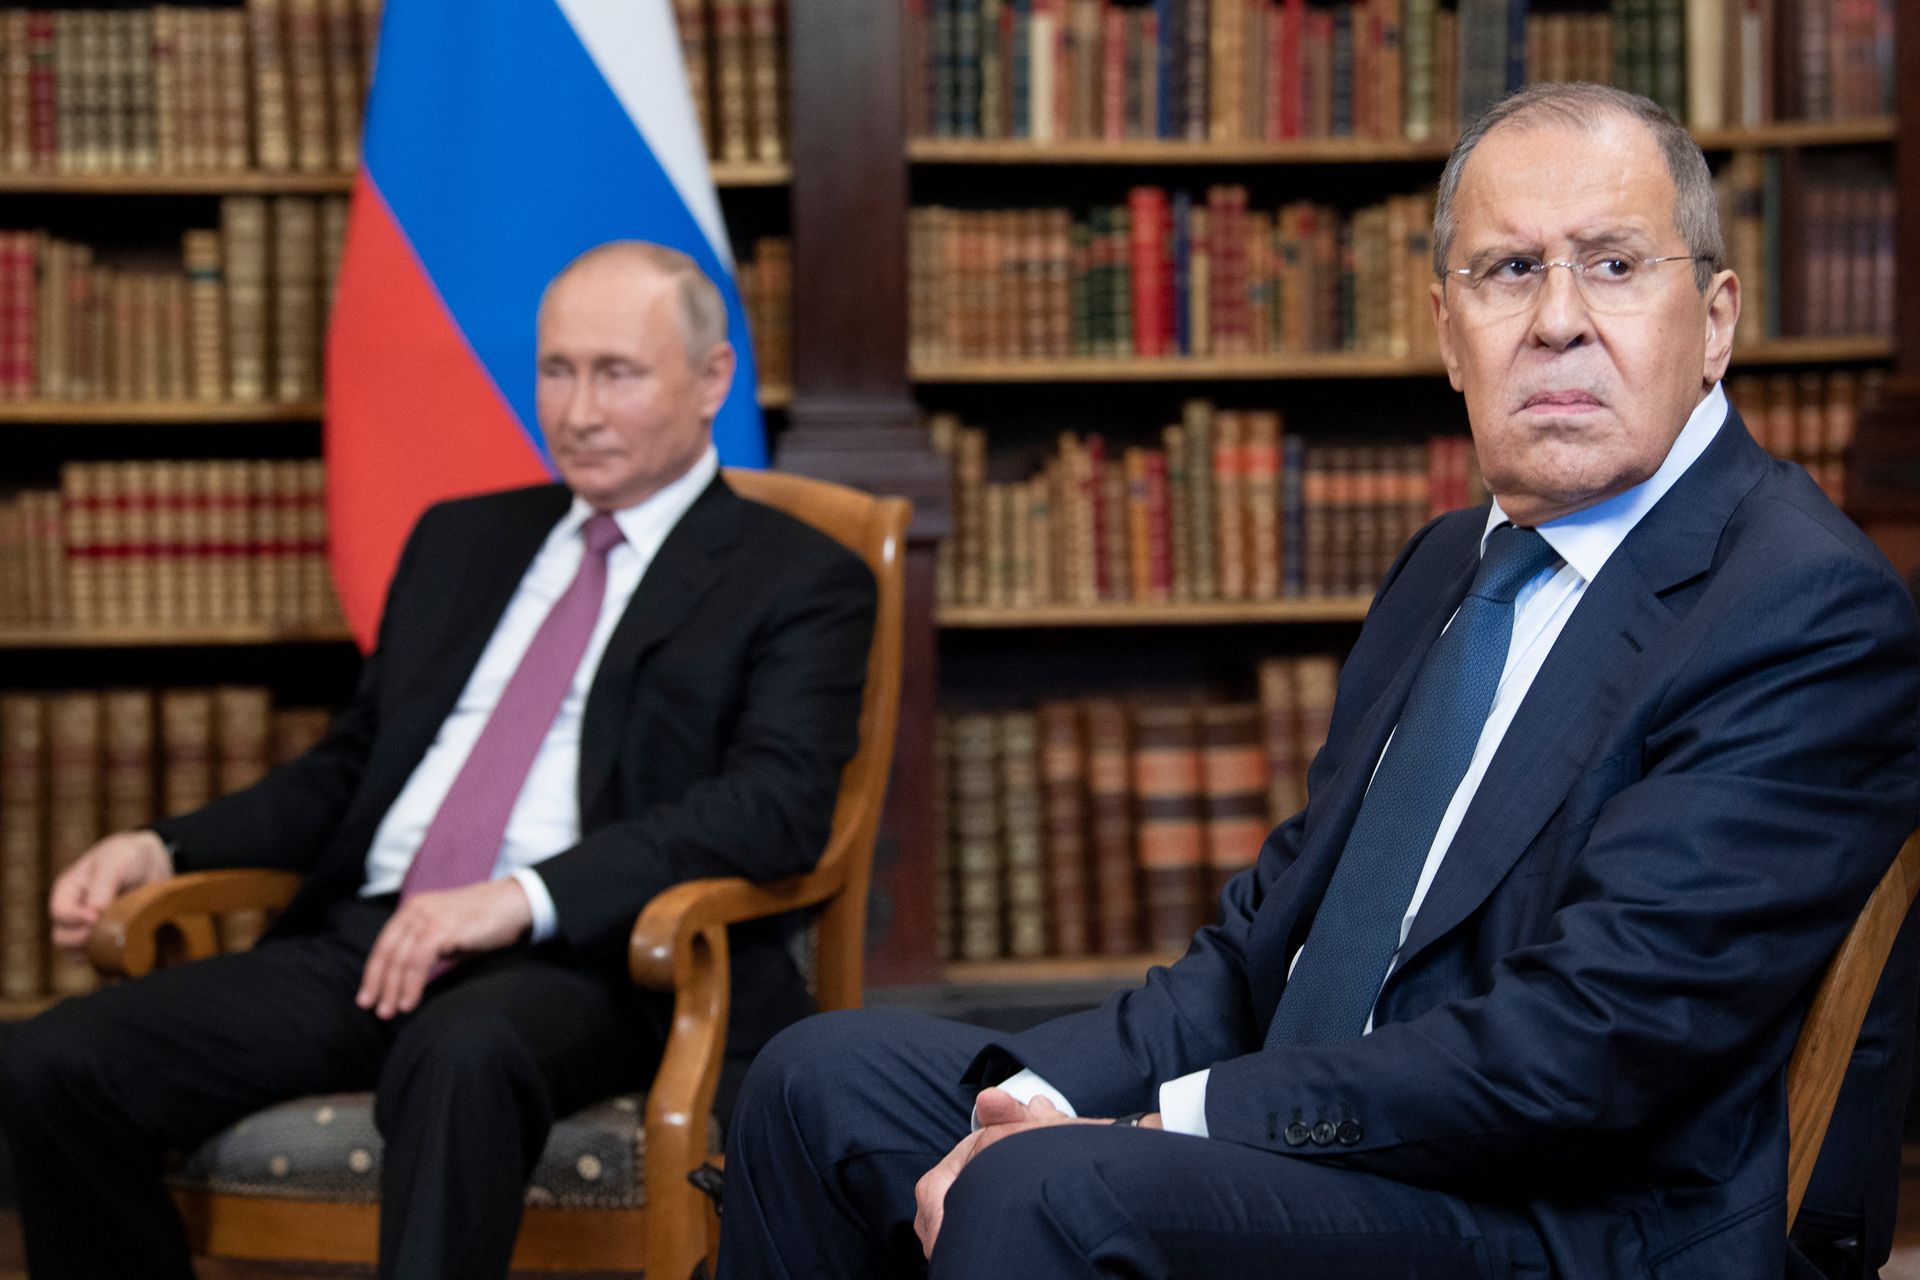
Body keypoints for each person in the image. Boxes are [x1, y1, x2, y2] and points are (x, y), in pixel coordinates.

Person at [716, 84, 1920, 1280]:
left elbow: (1587, 1047)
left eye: (1613, 265)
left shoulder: (1799, 606)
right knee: (819, 1082)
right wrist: (1040, 1095)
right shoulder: (1452, 564)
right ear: (1448, 332)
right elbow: (1266, 941)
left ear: (1715, 320)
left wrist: (1166, 1123)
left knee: (1049, 1191)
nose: (1558, 319)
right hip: (1349, 1136)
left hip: (1574, 1215)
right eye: (1509, 271)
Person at [0, 241, 878, 1280]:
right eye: (557, 371)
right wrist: (163, 845)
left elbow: (773, 807)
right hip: (374, 941)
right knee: (54, 1063)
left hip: (591, 959)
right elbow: (352, 769)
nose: (579, 411)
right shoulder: (465, 540)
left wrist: (519, 897)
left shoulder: (797, 576)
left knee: (462, 1051)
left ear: (712, 378)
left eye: (618, 373)